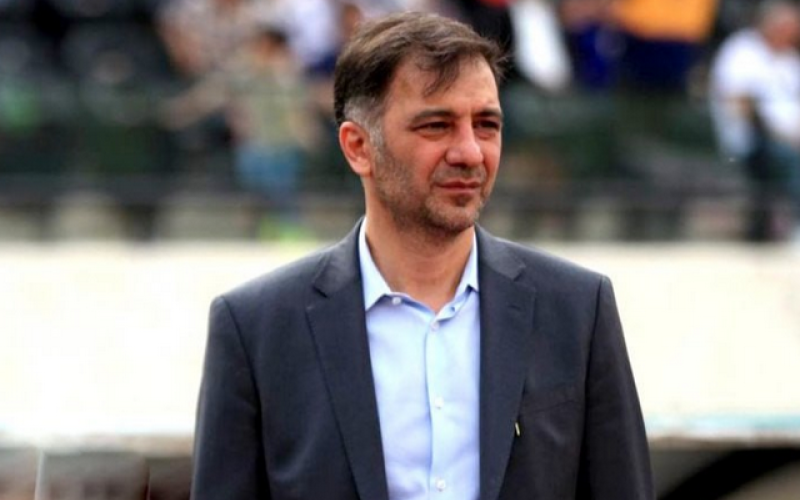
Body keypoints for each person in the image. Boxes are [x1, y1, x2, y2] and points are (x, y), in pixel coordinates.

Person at [191, 11, 653, 500]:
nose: (471, 152)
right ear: (358, 147)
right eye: (436, 125)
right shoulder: (255, 328)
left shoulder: (578, 309)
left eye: (487, 125)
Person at [709, 0, 800, 242]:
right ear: (771, 25)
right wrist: (783, 136)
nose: (794, 33)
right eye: (789, 27)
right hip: (753, 140)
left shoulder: (790, 59)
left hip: (790, 139)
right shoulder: (742, 50)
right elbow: (741, 105)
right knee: (793, 159)